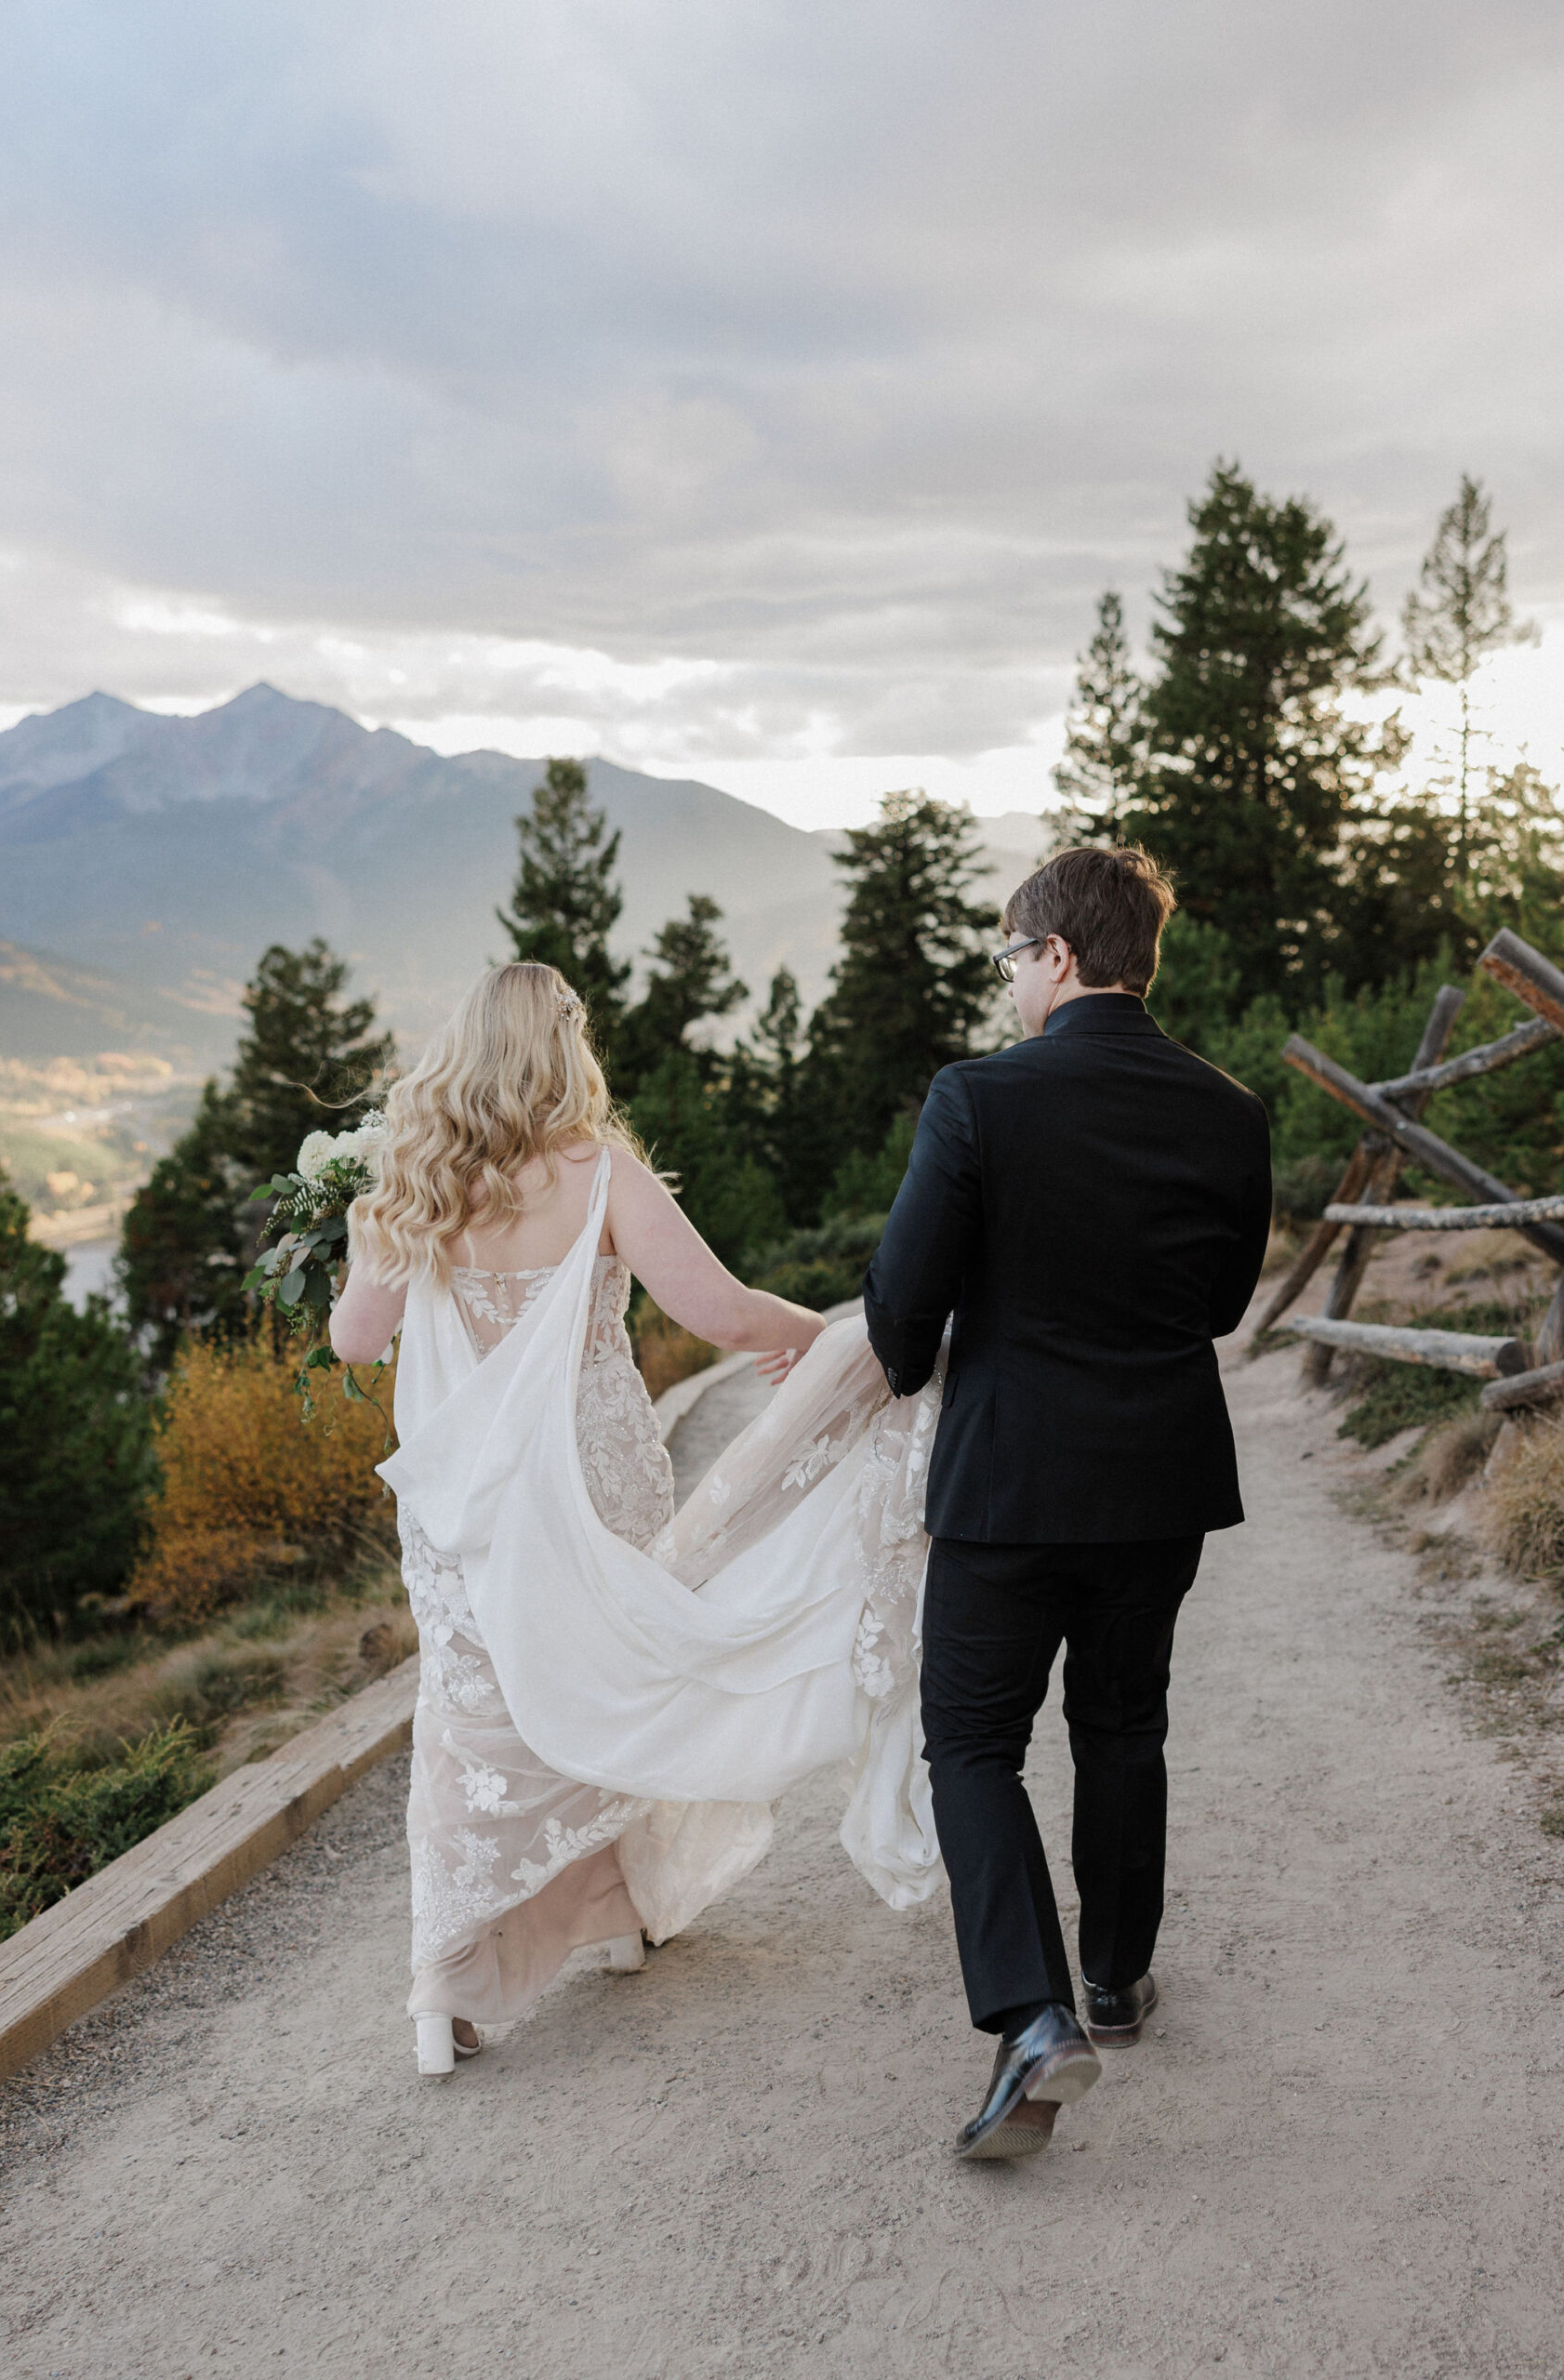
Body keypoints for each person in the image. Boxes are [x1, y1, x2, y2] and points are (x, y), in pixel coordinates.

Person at [332, 961, 935, 2078]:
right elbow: (715, 1310)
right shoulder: (599, 1174)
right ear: (564, 1049)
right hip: (594, 1473)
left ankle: (452, 1985)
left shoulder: (408, 1185)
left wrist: (377, 1242)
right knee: (610, 1671)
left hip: (468, 1499)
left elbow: (356, 1341)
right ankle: (612, 1919)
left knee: (478, 1713)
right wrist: (835, 1338)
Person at [864, 844, 1272, 2158]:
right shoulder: (1230, 1109)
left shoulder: (976, 1099)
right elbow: (1215, 1307)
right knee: (1121, 1721)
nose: (1005, 989)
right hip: (1157, 1484)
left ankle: (1033, 2017)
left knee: (971, 1742)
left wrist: (914, 1354)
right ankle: (1113, 1977)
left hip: (1006, 1485)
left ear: (1053, 956)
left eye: (1009, 962)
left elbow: (900, 1311)